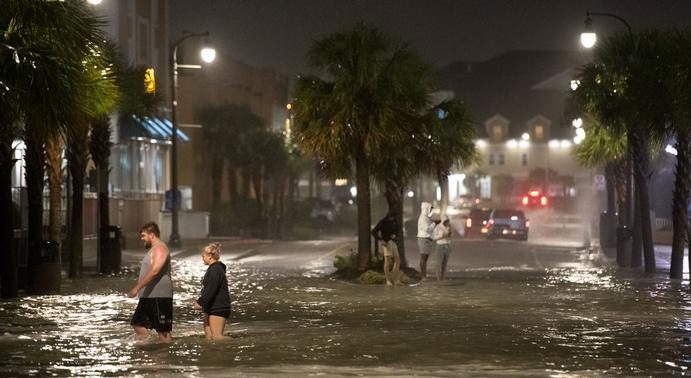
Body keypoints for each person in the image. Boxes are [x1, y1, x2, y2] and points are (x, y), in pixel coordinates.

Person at [127, 222, 173, 342]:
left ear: (152, 235)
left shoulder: (160, 249)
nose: (142, 239)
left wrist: (137, 288)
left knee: (163, 331)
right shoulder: (154, 249)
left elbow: (155, 271)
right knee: (137, 323)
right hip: (149, 295)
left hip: (159, 295)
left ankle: (165, 355)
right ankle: (148, 348)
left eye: (143, 236)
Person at [194, 242, 231, 340]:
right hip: (211, 307)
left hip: (218, 307)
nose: (202, 259)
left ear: (210, 256)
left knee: (217, 337)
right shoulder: (213, 269)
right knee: (209, 335)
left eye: (203, 256)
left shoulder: (216, 270)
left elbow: (211, 289)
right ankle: (212, 354)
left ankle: (236, 346)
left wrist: (200, 302)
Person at [371, 212, 400, 285]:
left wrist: (395, 235)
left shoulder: (395, 221)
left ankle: (394, 278)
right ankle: (388, 280)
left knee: (397, 260)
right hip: (386, 242)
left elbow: (397, 230)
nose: (392, 219)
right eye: (391, 218)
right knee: (388, 261)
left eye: (393, 218)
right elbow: (374, 231)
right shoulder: (383, 222)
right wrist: (381, 240)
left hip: (393, 242)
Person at [416, 202, 436, 279]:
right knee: (423, 258)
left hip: (426, 239)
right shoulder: (423, 218)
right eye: (430, 209)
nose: (431, 211)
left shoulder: (426, 217)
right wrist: (435, 223)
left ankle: (424, 275)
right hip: (423, 239)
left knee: (425, 258)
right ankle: (423, 275)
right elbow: (427, 229)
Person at [433, 216, 453, 280]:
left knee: (445, 263)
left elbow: (451, 236)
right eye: (445, 221)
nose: (447, 223)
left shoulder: (449, 227)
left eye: (448, 221)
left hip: (447, 245)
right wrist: (441, 236)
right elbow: (434, 237)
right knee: (438, 263)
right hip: (440, 245)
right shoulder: (438, 227)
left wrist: (450, 234)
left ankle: (443, 277)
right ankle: (438, 277)